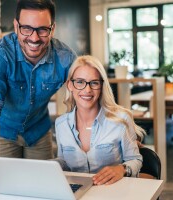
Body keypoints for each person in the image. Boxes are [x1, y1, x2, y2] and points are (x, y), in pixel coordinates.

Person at [0, 0, 76, 186]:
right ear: (16, 26)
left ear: (53, 28)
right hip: (3, 133)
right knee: (2, 186)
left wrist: (123, 131)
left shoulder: (64, 57)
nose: (34, 38)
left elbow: (86, 96)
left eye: (42, 30)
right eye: (26, 28)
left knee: (43, 187)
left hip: (39, 132)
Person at [54, 55, 145, 185]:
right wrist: (50, 165)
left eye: (94, 83)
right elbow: (64, 162)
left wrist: (121, 169)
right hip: (78, 193)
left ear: (102, 86)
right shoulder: (61, 124)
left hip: (112, 192)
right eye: (80, 82)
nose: (87, 90)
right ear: (70, 85)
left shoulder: (121, 119)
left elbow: (135, 160)